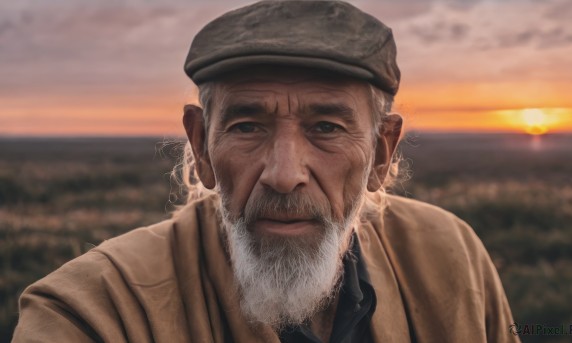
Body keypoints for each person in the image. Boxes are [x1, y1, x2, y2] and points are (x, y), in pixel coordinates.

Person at [13, 1, 519, 342]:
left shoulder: (451, 257)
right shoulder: (92, 313)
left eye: (325, 126)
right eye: (248, 125)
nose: (284, 174)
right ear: (201, 147)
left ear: (382, 153)